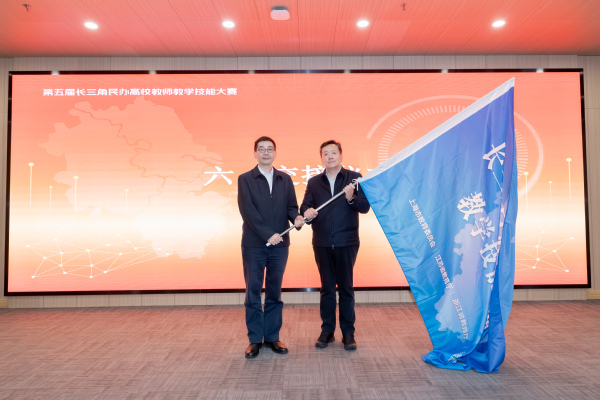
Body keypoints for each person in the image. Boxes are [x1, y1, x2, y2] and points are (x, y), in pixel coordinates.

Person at [237, 136, 305, 359]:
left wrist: (296, 218)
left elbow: (291, 207)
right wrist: (268, 234)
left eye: (269, 149)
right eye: (261, 149)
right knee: (253, 292)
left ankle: (272, 337)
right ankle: (255, 339)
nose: (266, 152)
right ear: (255, 153)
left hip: (280, 246)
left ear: (275, 153)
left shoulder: (285, 178)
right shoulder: (245, 179)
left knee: (275, 292)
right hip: (254, 245)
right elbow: (248, 212)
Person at [301, 140, 370, 351]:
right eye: (325, 153)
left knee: (346, 289)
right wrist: (306, 212)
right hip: (322, 242)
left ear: (341, 155)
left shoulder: (354, 178)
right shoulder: (314, 182)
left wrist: (350, 198)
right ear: (321, 158)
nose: (329, 156)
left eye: (333, 152)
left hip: (346, 242)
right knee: (327, 289)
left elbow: (365, 207)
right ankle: (327, 331)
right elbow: (305, 207)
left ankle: (348, 333)